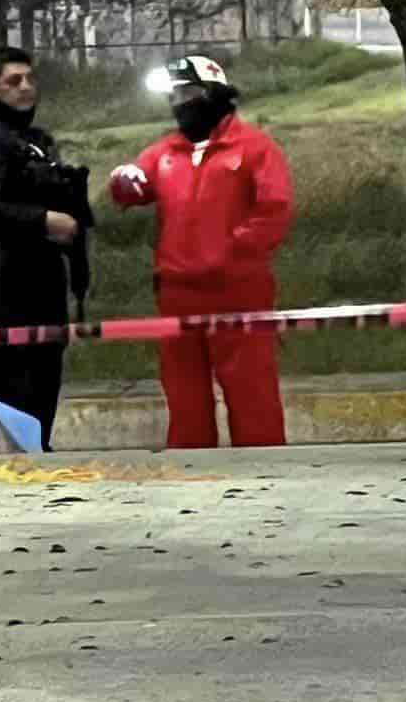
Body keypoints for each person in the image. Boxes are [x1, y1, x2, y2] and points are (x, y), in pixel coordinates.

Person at [108, 54, 293, 449]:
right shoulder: (163, 154)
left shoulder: (254, 149)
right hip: (177, 292)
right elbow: (133, 189)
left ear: (213, 93)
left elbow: (273, 211)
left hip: (238, 290)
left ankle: (265, 474)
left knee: (251, 390)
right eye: (174, 95)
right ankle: (192, 475)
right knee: (184, 392)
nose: (180, 103)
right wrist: (123, 182)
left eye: (188, 93)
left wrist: (232, 252)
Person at [0, 46, 93, 450]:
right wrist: (45, 220)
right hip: (5, 282)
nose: (26, 87)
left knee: (45, 383)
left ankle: (38, 460)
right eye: (14, 81)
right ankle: (10, 474)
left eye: (30, 79)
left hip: (44, 278)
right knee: (12, 388)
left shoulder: (32, 140)